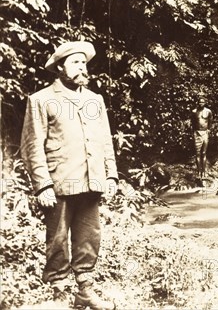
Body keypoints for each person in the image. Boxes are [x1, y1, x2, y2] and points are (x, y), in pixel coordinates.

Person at [20, 41, 118, 310]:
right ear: (60, 67)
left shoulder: (94, 100)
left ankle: (85, 291)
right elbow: (31, 145)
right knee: (58, 241)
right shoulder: (41, 100)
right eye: (75, 63)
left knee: (89, 238)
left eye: (84, 63)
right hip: (59, 183)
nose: (81, 67)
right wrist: (42, 186)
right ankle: (59, 293)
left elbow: (104, 140)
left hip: (91, 181)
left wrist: (111, 175)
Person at [191, 94, 213, 181]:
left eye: (203, 102)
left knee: (203, 153)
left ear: (205, 103)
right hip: (197, 133)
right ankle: (199, 171)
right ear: (198, 103)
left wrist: (208, 130)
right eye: (200, 102)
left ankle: (204, 171)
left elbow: (210, 121)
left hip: (205, 133)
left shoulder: (208, 111)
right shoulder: (194, 112)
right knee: (197, 154)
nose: (201, 103)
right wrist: (194, 132)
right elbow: (192, 122)